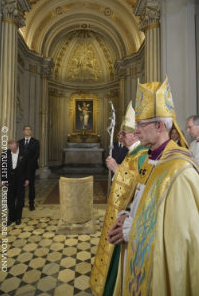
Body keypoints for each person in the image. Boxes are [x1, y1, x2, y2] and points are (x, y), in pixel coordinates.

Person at [107, 76, 199, 296]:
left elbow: (184, 240)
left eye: (140, 124)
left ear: (159, 126)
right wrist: (125, 214)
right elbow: (140, 202)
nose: (136, 131)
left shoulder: (181, 169)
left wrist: (133, 230)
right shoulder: (151, 160)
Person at [89, 101, 148, 296]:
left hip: (130, 218)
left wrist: (117, 169)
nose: (121, 137)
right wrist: (119, 170)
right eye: (120, 133)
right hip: (122, 214)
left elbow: (139, 185)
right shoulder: (133, 154)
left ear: (134, 134)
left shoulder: (142, 154)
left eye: (124, 133)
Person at [1, 139, 30, 225]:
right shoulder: (4, 154)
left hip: (21, 178)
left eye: (14, 148)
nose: (13, 150)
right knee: (10, 199)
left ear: (17, 146)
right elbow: (3, 168)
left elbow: (28, 167)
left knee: (20, 199)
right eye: (11, 148)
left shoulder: (25, 153)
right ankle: (11, 218)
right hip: (10, 179)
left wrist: (27, 179)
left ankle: (18, 218)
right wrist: (3, 180)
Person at [18, 126, 40, 211]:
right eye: (26, 130)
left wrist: (29, 164)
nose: (28, 131)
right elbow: (18, 154)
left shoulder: (36, 142)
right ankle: (21, 202)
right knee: (21, 185)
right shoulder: (20, 142)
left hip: (31, 167)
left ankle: (31, 203)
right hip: (21, 168)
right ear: (23, 131)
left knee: (31, 185)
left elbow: (37, 154)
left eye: (30, 129)